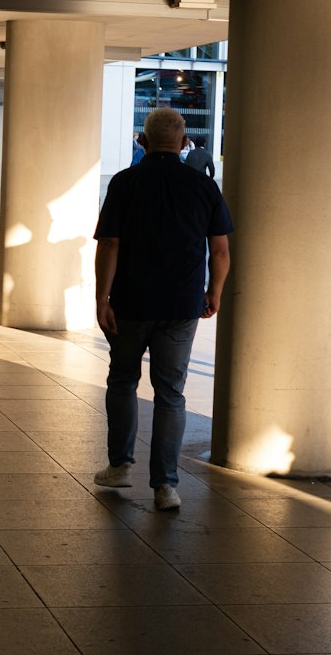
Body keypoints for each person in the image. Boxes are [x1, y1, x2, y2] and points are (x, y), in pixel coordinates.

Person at [92, 107, 233, 510]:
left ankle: (119, 466)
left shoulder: (125, 182)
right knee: (171, 393)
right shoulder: (203, 186)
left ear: (144, 139)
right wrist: (214, 292)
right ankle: (165, 487)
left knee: (122, 381)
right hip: (180, 303)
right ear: (183, 139)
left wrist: (101, 299)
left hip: (131, 302)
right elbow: (220, 250)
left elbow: (110, 244)